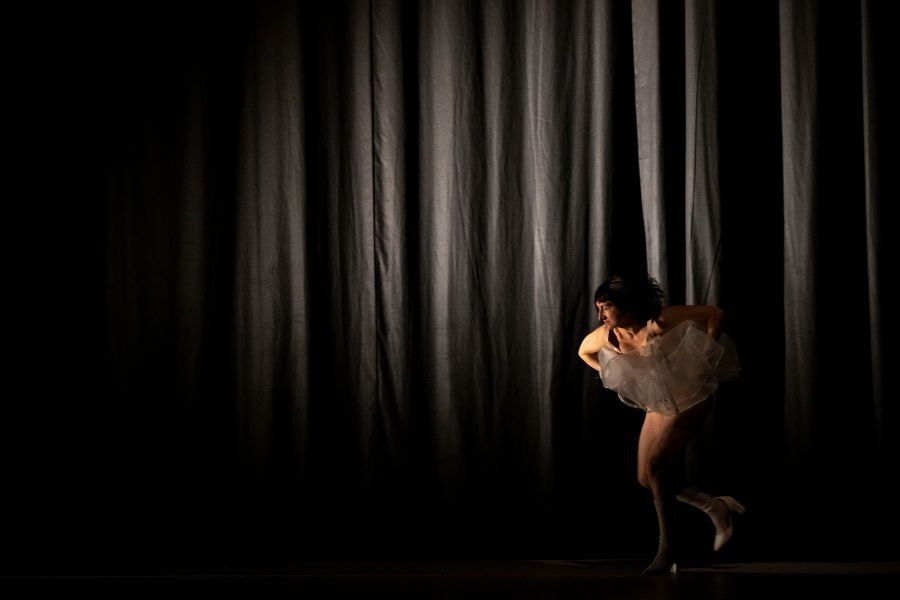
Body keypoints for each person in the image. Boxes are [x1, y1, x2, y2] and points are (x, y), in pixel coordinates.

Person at [578, 273, 743, 575]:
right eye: (598, 308)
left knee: (656, 465)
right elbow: (583, 351)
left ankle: (667, 550)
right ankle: (714, 506)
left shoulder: (658, 322)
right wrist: (612, 372)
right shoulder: (608, 336)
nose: (600, 315)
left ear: (627, 307)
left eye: (606, 307)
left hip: (690, 397)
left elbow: (714, 314)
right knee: (645, 477)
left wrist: (708, 350)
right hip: (659, 403)